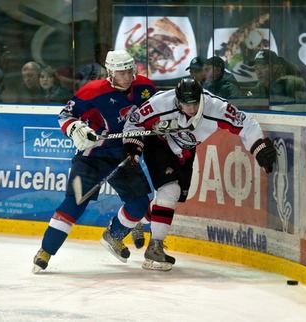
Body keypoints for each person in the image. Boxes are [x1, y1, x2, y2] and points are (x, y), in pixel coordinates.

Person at [107, 77, 277, 271]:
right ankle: (155, 247)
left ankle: (142, 221)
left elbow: (247, 123)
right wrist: (133, 147)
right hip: (159, 143)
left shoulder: (216, 107)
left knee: (173, 198)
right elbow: (134, 122)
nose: (191, 109)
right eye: (185, 104)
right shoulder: (161, 103)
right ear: (177, 99)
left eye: (195, 103)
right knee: (170, 190)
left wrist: (259, 147)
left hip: (185, 150)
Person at [32, 49, 157, 273]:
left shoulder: (145, 88)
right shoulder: (93, 91)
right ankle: (46, 251)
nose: (127, 77)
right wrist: (76, 129)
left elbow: (154, 113)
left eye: (130, 71)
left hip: (125, 154)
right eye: (121, 72)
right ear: (110, 72)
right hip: (92, 157)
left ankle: (114, 235)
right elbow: (65, 116)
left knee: (139, 205)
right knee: (75, 203)